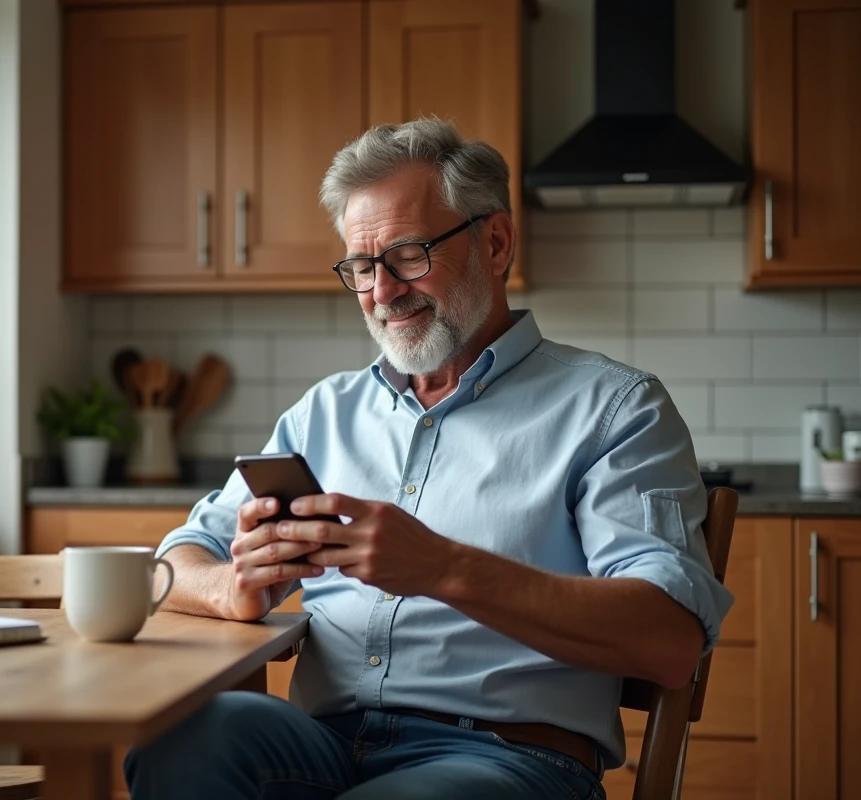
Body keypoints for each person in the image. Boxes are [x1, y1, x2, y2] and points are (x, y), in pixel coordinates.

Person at [123, 119, 734, 800]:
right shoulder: (324, 413)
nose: (382, 292)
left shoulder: (614, 409)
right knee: (181, 740)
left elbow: (670, 640)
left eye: (408, 255)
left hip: (510, 759)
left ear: (495, 242)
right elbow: (178, 558)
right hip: (322, 741)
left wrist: (444, 568)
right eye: (360, 267)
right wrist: (231, 588)